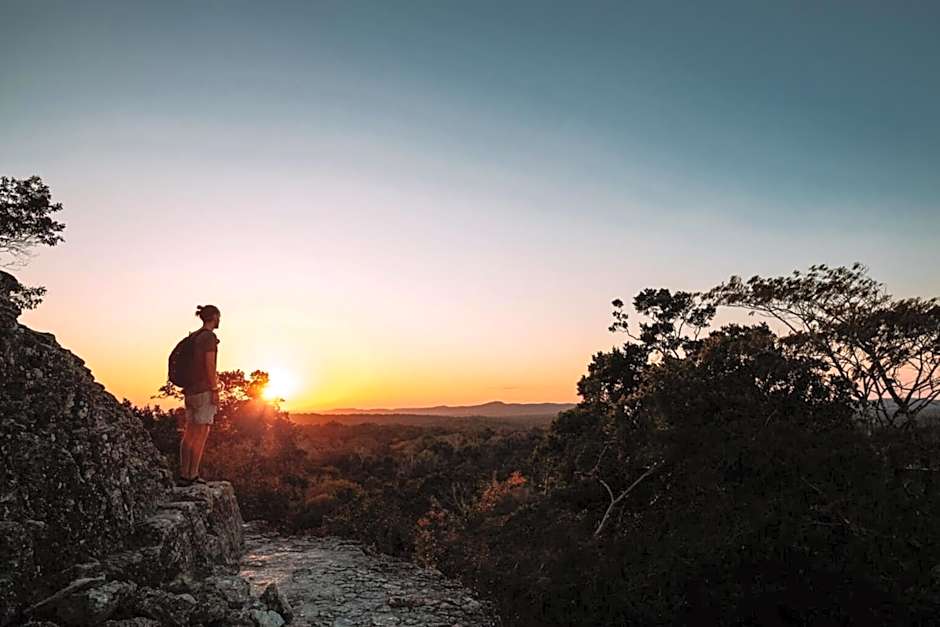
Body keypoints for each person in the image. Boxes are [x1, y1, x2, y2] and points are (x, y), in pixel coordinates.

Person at [178, 304, 221, 486]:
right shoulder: (209, 337)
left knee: (189, 433)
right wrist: (215, 389)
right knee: (201, 433)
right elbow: (209, 366)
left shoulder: (194, 337)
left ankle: (183, 474)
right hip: (203, 391)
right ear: (214, 317)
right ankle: (193, 475)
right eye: (219, 317)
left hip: (190, 391)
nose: (220, 320)